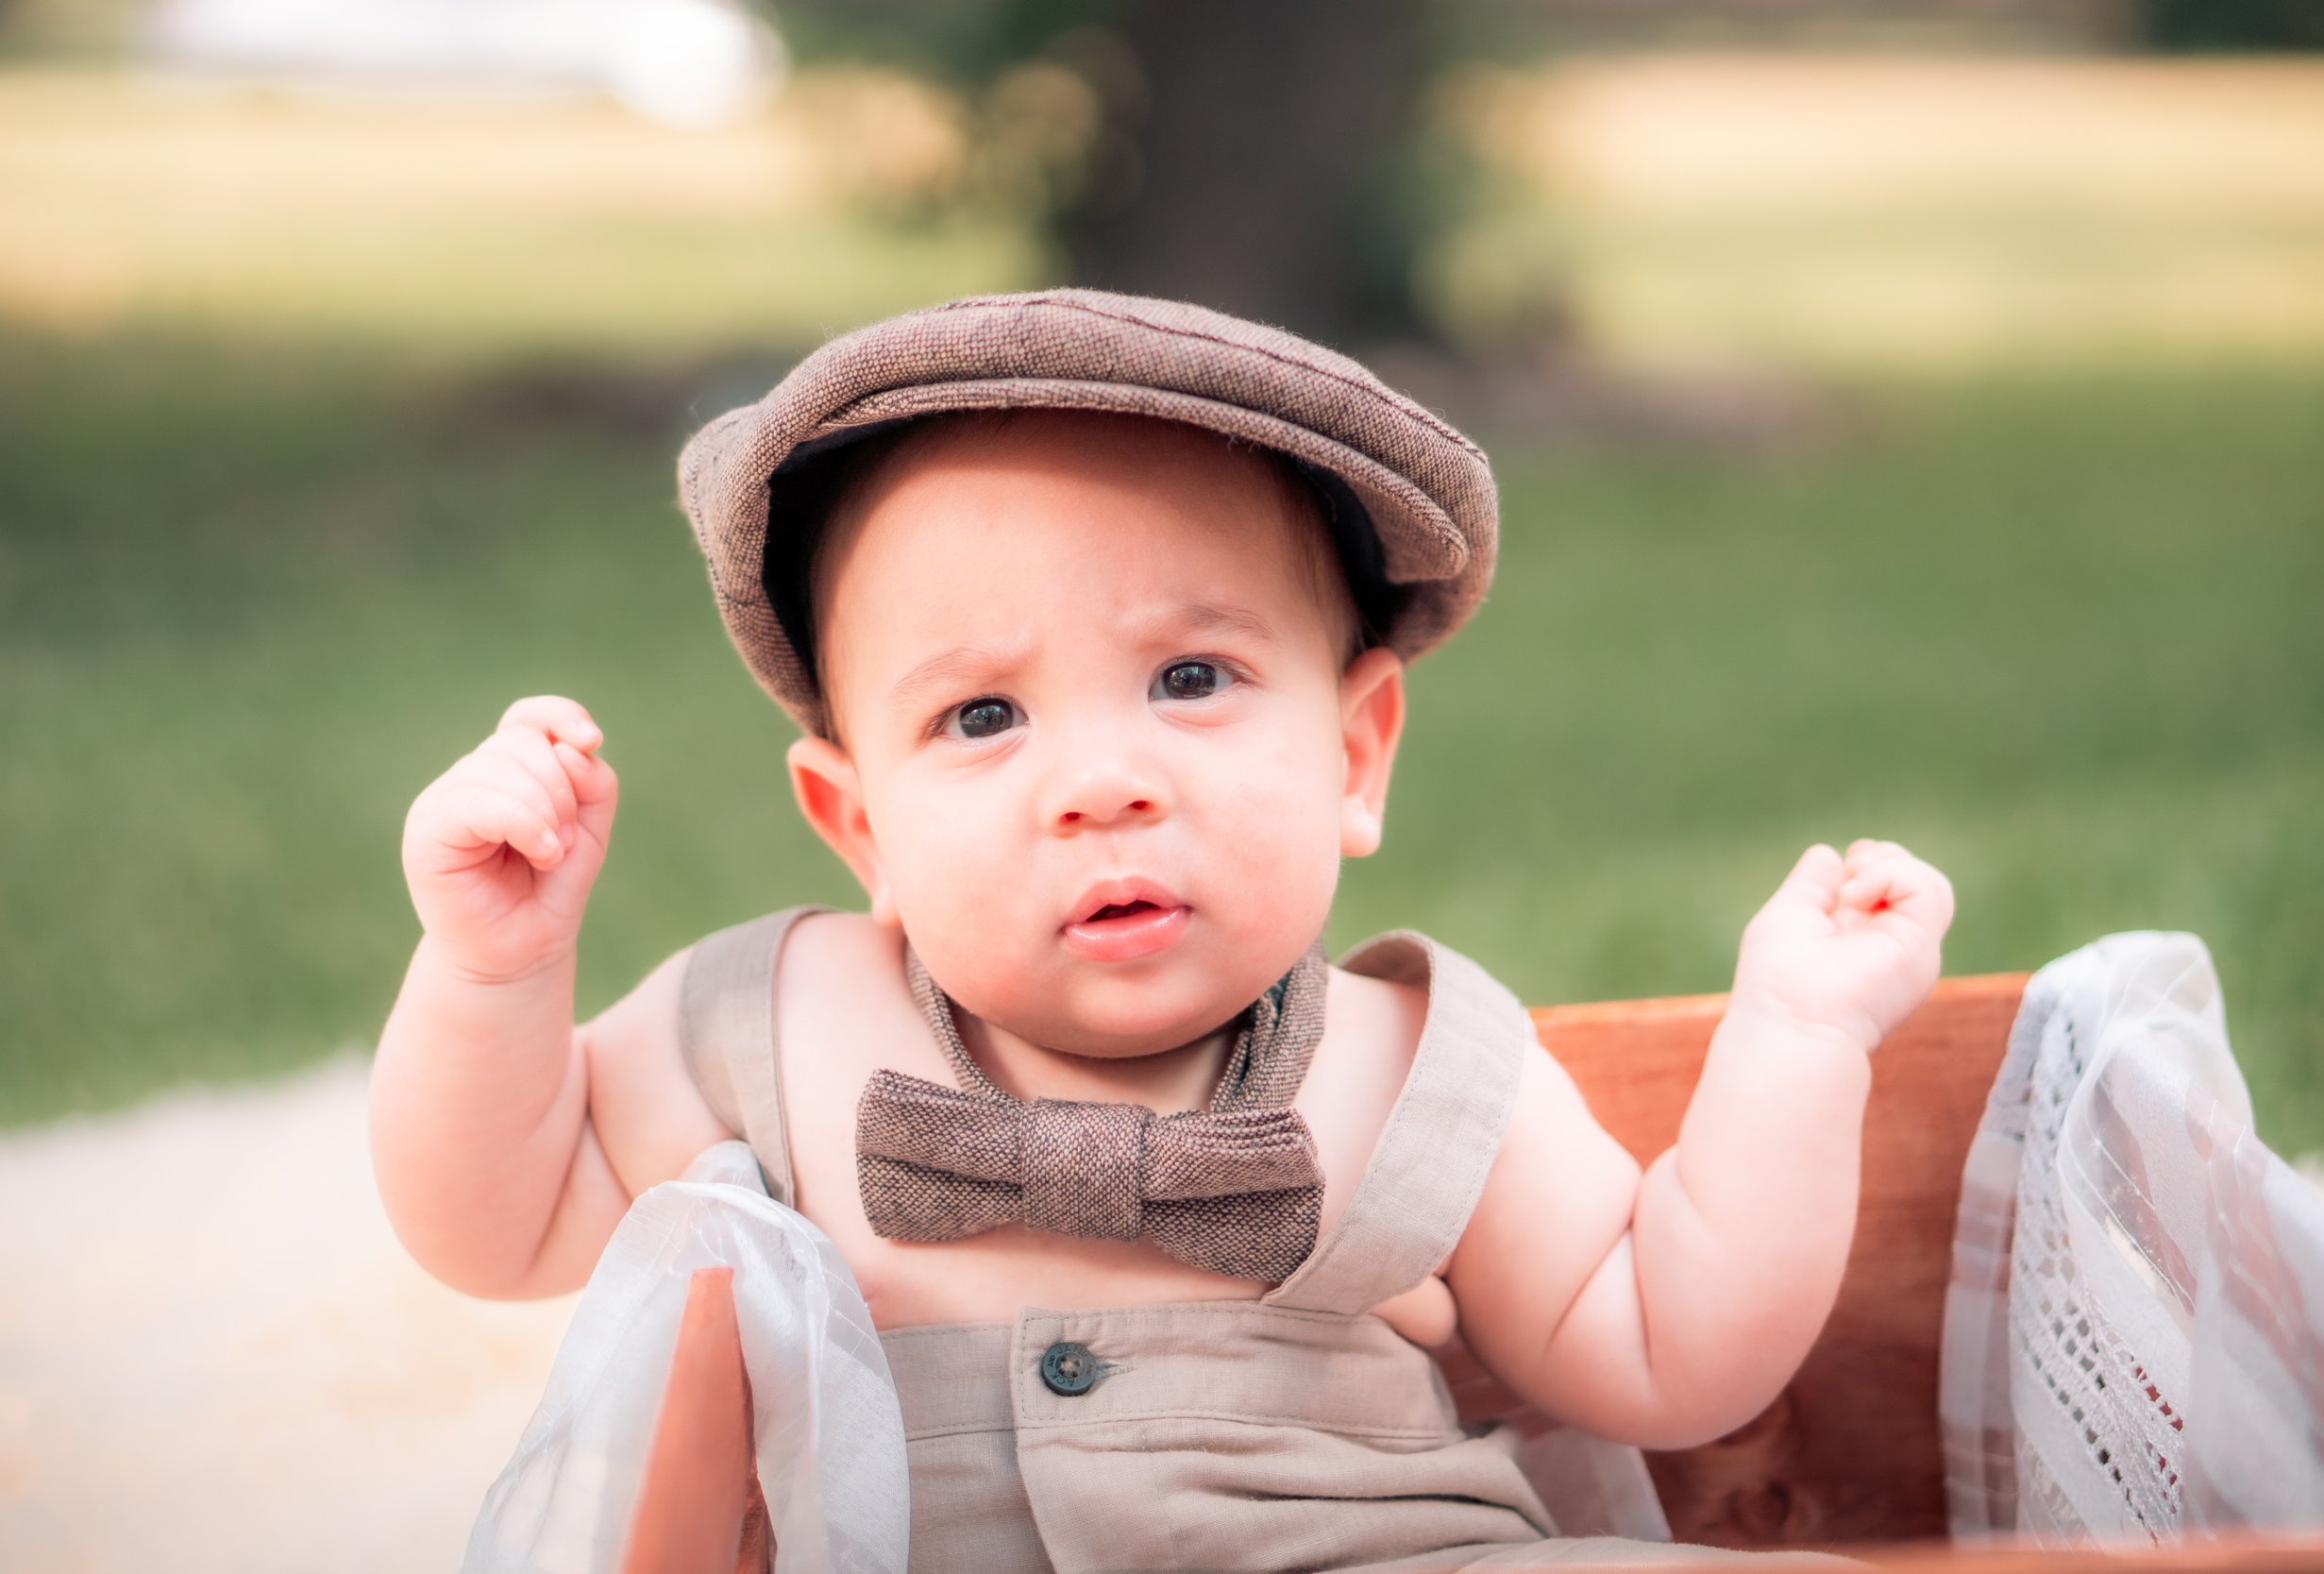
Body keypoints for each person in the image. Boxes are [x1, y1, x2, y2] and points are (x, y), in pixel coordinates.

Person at [371, 290, 1953, 1570]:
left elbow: (1677, 1350)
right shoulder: (768, 1021)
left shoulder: (1419, 1057)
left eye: (1191, 679)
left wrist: (1800, 1042)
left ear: (1352, 754)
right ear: (862, 828)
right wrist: (492, 967)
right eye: (983, 714)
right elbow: (495, 1221)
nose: (1103, 783)